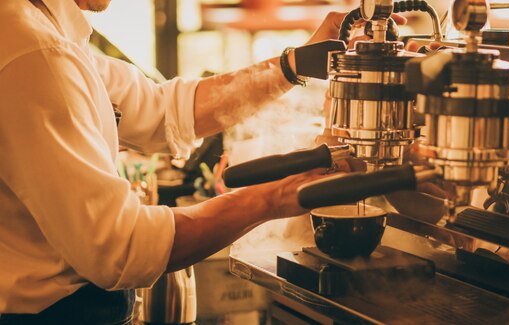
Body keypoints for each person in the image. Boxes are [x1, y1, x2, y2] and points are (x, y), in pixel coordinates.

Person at [0, 0, 389, 323]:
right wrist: (274, 197)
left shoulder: (43, 33)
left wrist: (293, 65)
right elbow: (120, 247)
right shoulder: (33, 54)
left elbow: (163, 110)